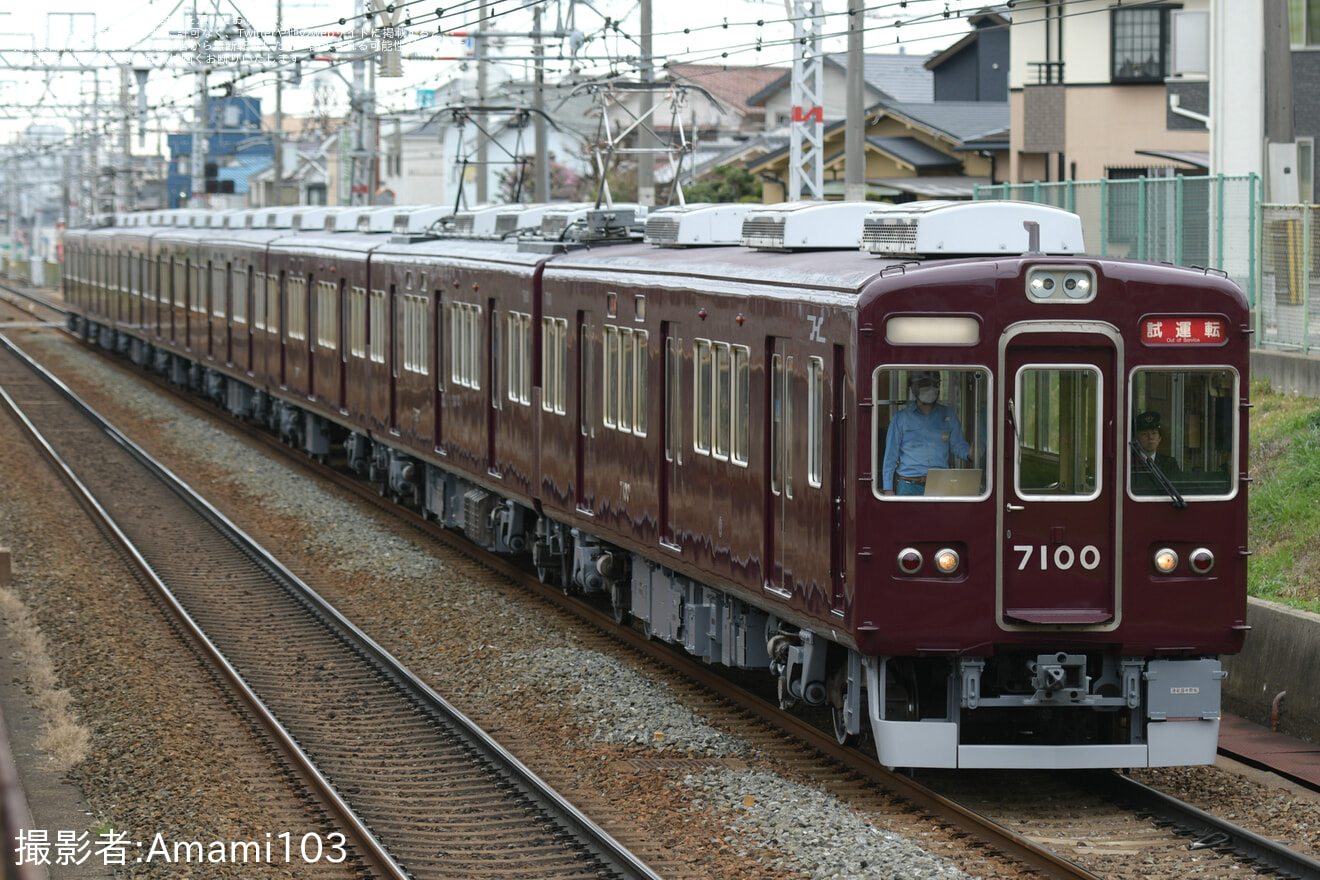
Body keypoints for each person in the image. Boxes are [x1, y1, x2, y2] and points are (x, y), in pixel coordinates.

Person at [881, 371, 973, 496]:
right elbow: (890, 456)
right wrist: (888, 489)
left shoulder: (948, 414)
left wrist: (970, 453)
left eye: (934, 384)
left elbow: (958, 445)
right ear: (913, 388)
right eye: (925, 384)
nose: (930, 388)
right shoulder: (900, 418)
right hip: (908, 486)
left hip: (940, 485)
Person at [1131, 410, 1182, 492]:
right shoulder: (1129, 463)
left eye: (1154, 433)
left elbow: (1177, 488)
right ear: (1135, 439)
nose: (1150, 437)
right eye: (1144, 434)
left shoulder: (1169, 463)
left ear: (1159, 438)